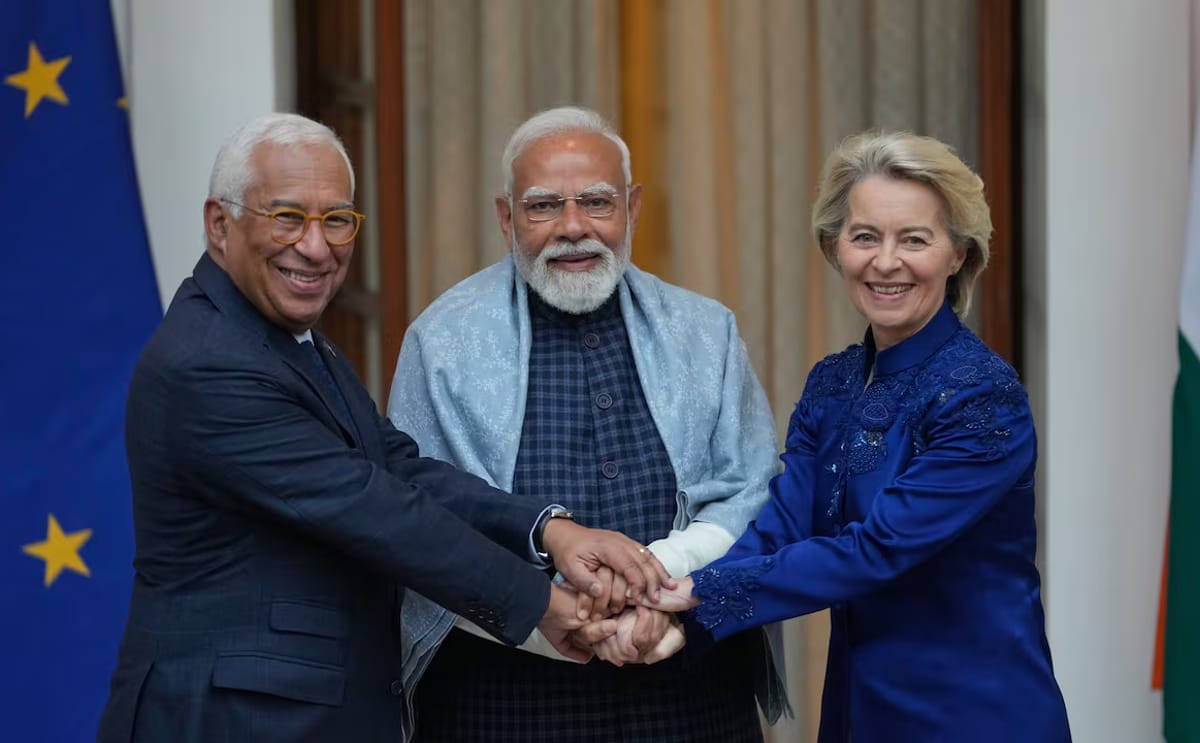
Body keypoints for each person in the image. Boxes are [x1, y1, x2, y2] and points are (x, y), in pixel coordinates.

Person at [97, 112, 670, 743]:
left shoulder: (281, 337)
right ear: (219, 224)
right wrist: (544, 605)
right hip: (229, 720)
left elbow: (395, 465)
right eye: (287, 217)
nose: (316, 247)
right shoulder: (209, 362)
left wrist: (550, 531)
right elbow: (374, 509)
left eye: (336, 219)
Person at [644, 131, 1072, 742]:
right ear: (835, 247)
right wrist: (678, 604)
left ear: (957, 255)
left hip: (973, 713)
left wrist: (696, 597)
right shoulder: (834, 382)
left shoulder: (982, 395)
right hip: (857, 707)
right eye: (865, 236)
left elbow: (877, 550)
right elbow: (782, 526)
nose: (886, 261)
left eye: (915, 239)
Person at [387, 106, 788, 741]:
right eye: (544, 206)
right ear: (505, 217)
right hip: (504, 701)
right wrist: (554, 617)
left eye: (596, 203)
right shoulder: (442, 342)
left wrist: (661, 585)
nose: (573, 228)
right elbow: (420, 522)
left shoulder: (704, 331)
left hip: (688, 693)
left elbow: (755, 494)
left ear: (631, 208)